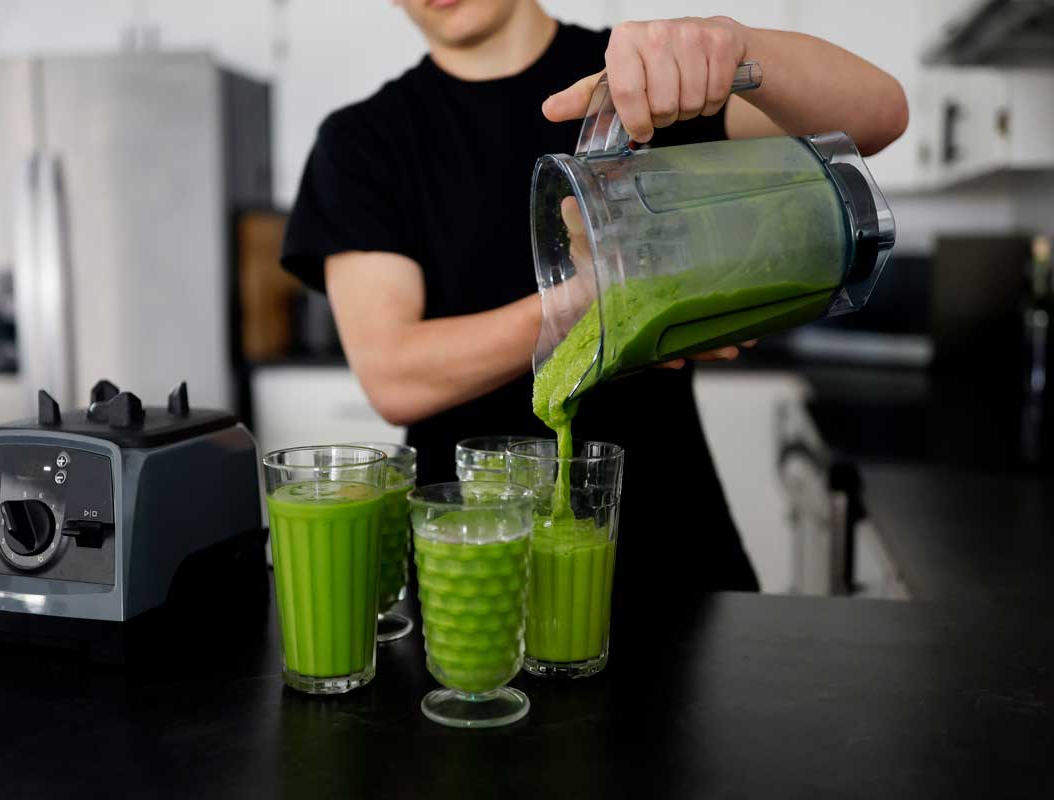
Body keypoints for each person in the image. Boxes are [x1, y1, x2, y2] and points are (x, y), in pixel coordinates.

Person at [281, 0, 907, 597]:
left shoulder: (643, 80)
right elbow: (395, 375)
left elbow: (878, 117)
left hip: (673, 553)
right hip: (470, 565)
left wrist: (737, 44)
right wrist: (601, 296)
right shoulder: (364, 141)